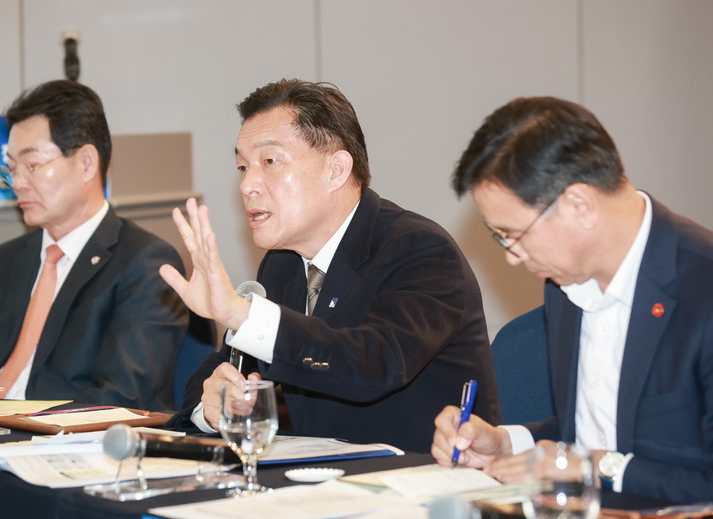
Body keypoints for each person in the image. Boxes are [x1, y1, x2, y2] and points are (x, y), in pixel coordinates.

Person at [161, 79, 500, 452]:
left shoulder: (420, 250)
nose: (247, 185)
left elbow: (370, 365)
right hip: (320, 476)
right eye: (242, 167)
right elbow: (220, 371)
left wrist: (242, 315)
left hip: (417, 477)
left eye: (269, 161)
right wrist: (212, 406)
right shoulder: (282, 267)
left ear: (336, 170)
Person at [432, 96, 713, 503]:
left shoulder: (701, 287)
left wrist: (594, 467)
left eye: (513, 235)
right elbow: (595, 431)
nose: (512, 256)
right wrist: (507, 444)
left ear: (579, 205)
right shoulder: (565, 285)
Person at [0, 80, 188, 411]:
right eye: (11, 169)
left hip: (62, 436)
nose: (18, 183)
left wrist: (10, 421)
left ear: (85, 162)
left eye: (32, 165)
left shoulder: (146, 264)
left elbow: (121, 397)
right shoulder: (1, 261)